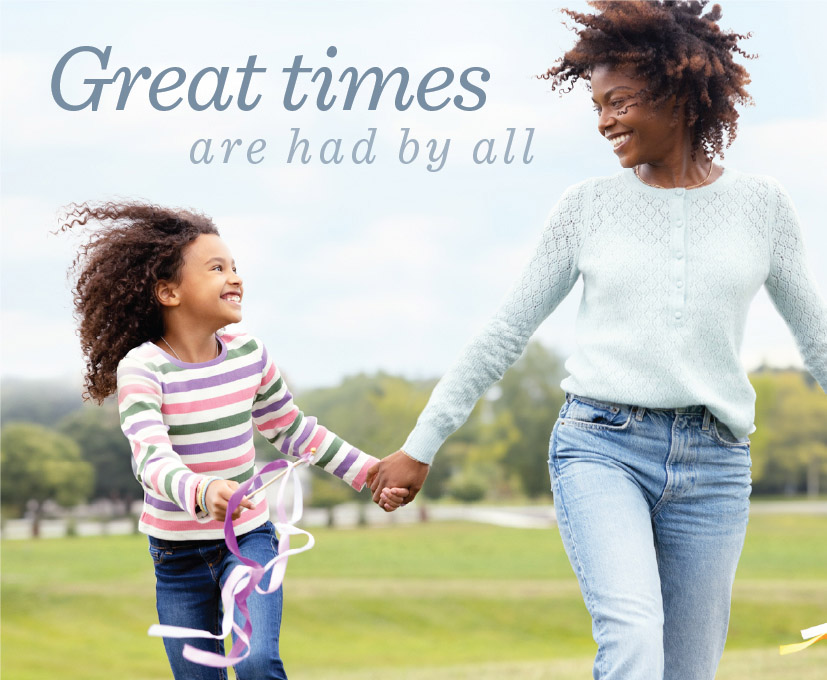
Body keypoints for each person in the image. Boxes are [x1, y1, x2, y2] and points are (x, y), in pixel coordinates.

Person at [368, 1, 827, 678]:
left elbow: (814, 342)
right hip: (601, 446)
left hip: (715, 463)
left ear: (676, 92)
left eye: (618, 101)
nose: (604, 121)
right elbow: (504, 333)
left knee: (687, 670)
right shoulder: (585, 208)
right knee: (634, 641)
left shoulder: (763, 207)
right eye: (595, 107)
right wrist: (420, 443)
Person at [63, 202, 407, 680]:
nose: (235, 277)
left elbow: (291, 429)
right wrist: (203, 491)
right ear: (168, 292)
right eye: (216, 268)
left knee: (256, 662)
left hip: (248, 539)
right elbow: (151, 461)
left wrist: (369, 472)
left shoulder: (249, 353)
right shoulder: (143, 368)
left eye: (235, 267)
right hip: (177, 559)